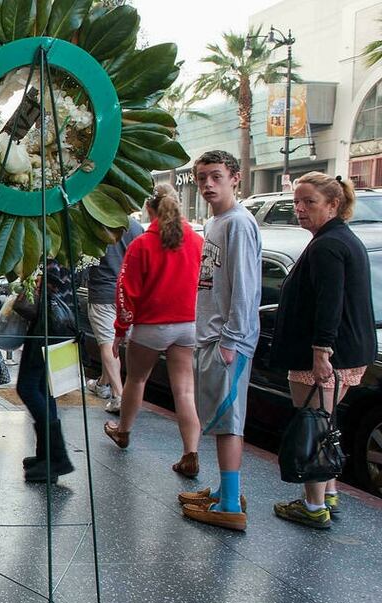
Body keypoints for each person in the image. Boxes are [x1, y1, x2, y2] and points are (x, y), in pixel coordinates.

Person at [270, 173, 374, 529]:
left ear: (333, 205)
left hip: (326, 356)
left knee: (312, 426)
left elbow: (330, 302)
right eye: (296, 202)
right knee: (326, 423)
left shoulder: (328, 245)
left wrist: (320, 352)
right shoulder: (342, 239)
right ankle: (328, 493)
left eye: (309, 202)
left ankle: (313, 508)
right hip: (350, 352)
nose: (299, 209)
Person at [179, 150, 262, 532]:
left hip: (227, 342)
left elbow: (245, 288)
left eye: (215, 176)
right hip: (211, 337)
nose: (207, 184)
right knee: (217, 418)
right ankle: (225, 490)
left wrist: (230, 340)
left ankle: (230, 502)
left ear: (235, 178)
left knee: (229, 422)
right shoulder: (217, 223)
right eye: (201, 178)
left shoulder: (239, 224)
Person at [103, 184, 204, 478]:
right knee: (184, 390)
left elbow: (126, 290)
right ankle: (190, 452)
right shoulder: (197, 242)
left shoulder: (142, 245)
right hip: (188, 325)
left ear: (150, 209)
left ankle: (123, 432)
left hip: (151, 325)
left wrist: (120, 329)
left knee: (136, 380)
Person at [16, 261, 77, 483]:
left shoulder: (50, 242)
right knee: (43, 388)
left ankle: (57, 457)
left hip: (48, 325)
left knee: (28, 387)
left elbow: (52, 280)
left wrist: (33, 278)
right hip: (56, 324)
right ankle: (47, 456)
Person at [84, 216, 144, 413]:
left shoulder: (94, 222)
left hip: (102, 292)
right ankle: (102, 384)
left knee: (108, 344)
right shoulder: (135, 227)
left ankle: (119, 396)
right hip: (129, 294)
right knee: (112, 345)